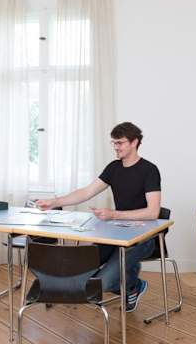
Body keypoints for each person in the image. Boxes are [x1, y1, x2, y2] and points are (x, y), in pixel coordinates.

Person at [36, 121, 161, 312]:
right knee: (81, 269)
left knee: (102, 283)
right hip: (117, 234)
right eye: (114, 143)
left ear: (134, 142)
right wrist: (54, 202)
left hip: (144, 238)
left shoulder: (149, 170)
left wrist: (114, 214)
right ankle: (130, 278)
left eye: (120, 143)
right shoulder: (114, 168)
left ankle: (131, 280)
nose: (116, 147)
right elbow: (86, 192)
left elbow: (153, 212)